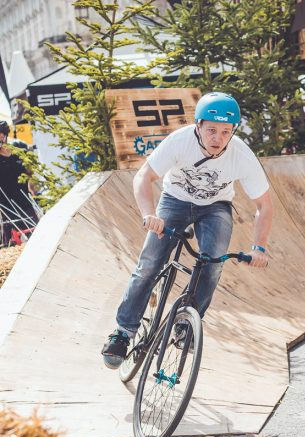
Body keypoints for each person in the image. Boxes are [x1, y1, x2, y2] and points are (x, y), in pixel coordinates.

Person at [101, 92, 273, 368]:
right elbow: (144, 177)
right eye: (212, 130)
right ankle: (123, 332)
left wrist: (259, 246)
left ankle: (186, 325)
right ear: (198, 127)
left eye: (225, 132)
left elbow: (264, 205)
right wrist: (149, 214)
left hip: (215, 206)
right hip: (175, 201)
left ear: (233, 132)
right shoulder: (180, 141)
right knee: (149, 264)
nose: (217, 138)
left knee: (214, 262)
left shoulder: (241, 155)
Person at [0, 121, 37, 246]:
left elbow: (30, 173)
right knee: (11, 246)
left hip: (25, 203)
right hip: (6, 208)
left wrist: (35, 193)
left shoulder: (19, 149)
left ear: (4, 135)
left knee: (37, 238)